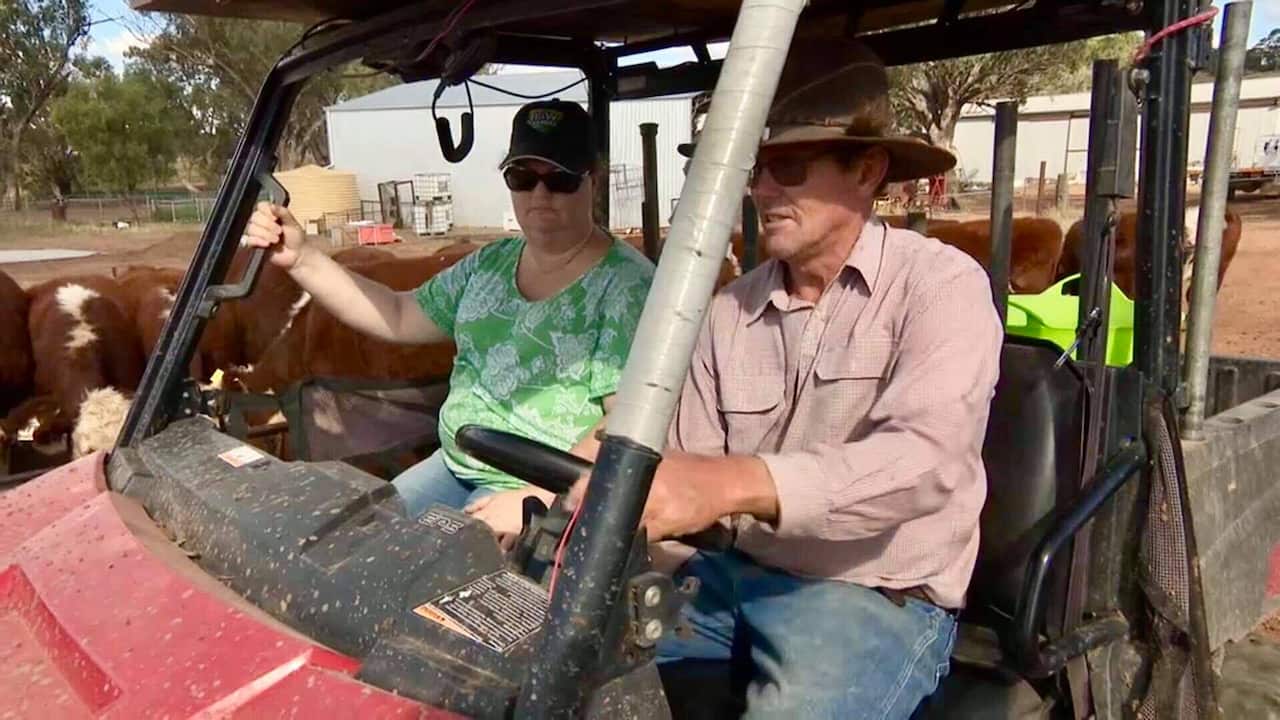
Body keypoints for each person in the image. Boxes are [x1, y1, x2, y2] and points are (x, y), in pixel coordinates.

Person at [573, 40, 1002, 718]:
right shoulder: (729, 311)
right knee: (570, 672)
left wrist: (733, 483)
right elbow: (684, 467)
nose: (763, 190)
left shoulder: (941, 287)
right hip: (726, 576)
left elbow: (927, 464)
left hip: (869, 595)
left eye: (789, 168)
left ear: (867, 170)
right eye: (756, 168)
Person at [243, 99, 654, 541]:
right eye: (522, 177)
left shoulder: (628, 286)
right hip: (456, 464)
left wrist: (539, 499)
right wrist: (302, 258)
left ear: (594, 180)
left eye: (560, 179)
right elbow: (398, 314)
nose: (539, 195)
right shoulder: (490, 263)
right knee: (361, 540)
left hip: (548, 486)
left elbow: (627, 425)